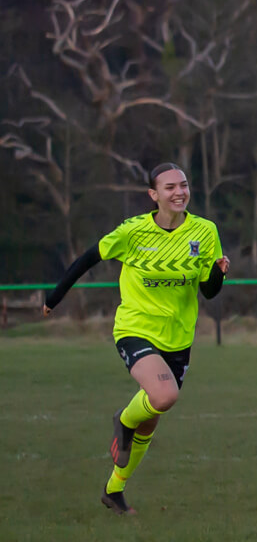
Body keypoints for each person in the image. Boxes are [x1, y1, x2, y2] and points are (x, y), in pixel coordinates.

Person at [42, 163, 228, 515]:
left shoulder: (205, 231)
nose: (179, 192)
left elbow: (208, 290)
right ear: (153, 195)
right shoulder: (133, 230)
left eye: (184, 185)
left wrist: (219, 275)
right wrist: (54, 298)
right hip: (135, 328)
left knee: (153, 416)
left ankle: (114, 490)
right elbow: (87, 259)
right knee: (164, 395)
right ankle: (123, 420)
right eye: (170, 187)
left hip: (178, 337)